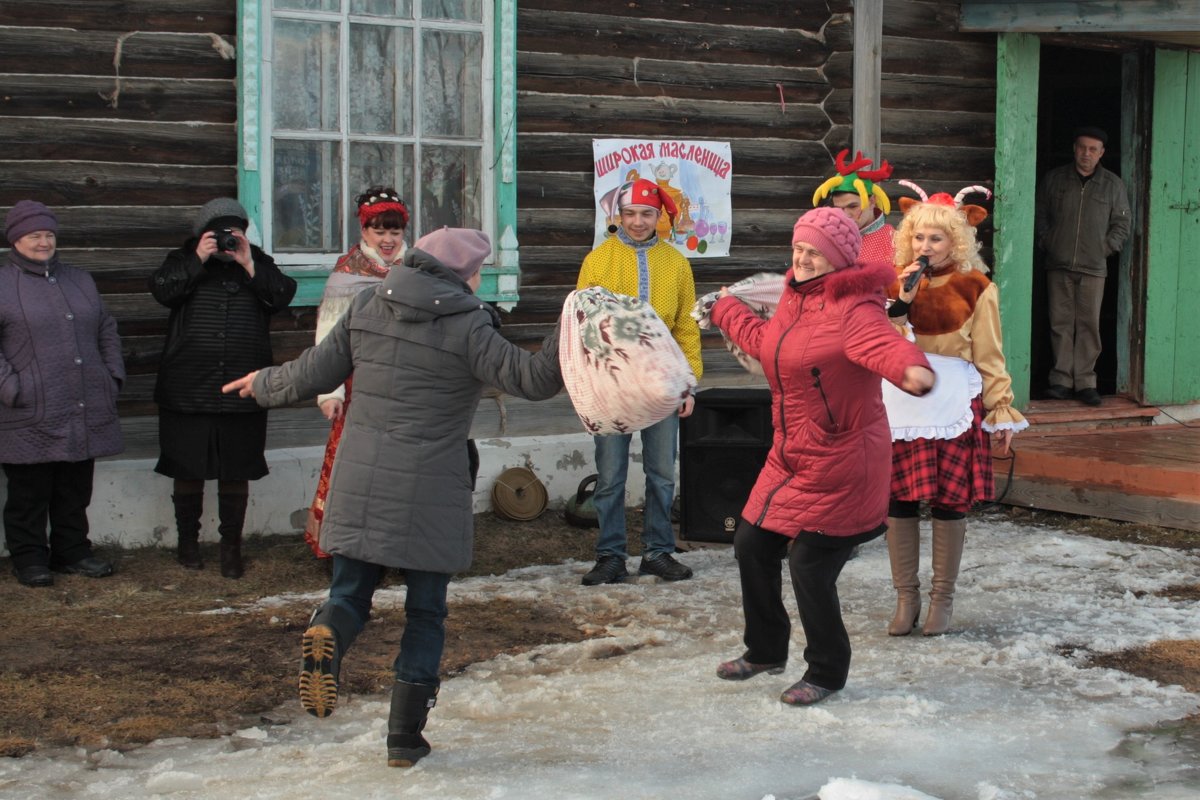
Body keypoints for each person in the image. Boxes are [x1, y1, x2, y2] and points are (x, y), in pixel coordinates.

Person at [222, 227, 563, 768]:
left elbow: (313, 372)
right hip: (431, 485)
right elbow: (533, 379)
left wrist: (261, 383)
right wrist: (572, 328)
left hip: (362, 476)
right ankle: (404, 739)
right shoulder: (469, 323)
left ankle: (328, 630)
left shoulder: (366, 305)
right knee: (426, 613)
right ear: (465, 275)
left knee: (352, 591)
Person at [709, 207, 934, 705]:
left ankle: (827, 671)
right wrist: (726, 309)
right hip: (792, 454)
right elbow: (770, 344)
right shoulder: (793, 297)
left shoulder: (856, 306)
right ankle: (765, 649)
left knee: (809, 564)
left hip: (846, 457)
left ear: (839, 259)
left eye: (815, 253)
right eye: (799, 249)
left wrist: (911, 370)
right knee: (751, 543)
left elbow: (880, 344)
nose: (804, 259)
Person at [884, 188, 1028, 637]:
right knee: (898, 501)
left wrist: (1000, 408)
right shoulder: (895, 283)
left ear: (956, 243)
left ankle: (941, 599)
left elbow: (990, 353)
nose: (926, 247)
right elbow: (879, 340)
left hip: (952, 402)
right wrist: (901, 302)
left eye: (937, 239)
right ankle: (905, 597)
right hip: (901, 400)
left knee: (948, 502)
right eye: (920, 237)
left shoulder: (976, 287)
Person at [149, 198, 297, 578]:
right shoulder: (182, 260)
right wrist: (198, 257)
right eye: (220, 234)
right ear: (202, 234)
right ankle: (188, 544)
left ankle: (231, 548)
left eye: (236, 232)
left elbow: (281, 296)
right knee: (188, 467)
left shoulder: (257, 263)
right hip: (188, 387)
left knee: (237, 468)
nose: (229, 240)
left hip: (243, 386)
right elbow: (164, 291)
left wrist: (249, 263)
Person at [575, 177, 703, 586]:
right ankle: (610, 555)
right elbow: (583, 320)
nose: (637, 221)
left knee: (661, 472)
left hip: (663, 381)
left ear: (660, 216)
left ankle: (657, 551)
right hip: (612, 383)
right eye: (629, 213)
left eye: (646, 213)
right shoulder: (598, 261)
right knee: (610, 475)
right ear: (618, 215)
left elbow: (686, 326)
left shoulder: (677, 263)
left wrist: (688, 382)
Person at [0, 201, 125, 587]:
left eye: (49, 235)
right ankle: (30, 558)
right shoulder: (3, 284)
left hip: (82, 402)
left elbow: (105, 326)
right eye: (34, 235)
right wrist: (9, 385)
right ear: (15, 239)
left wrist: (111, 373)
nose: (43, 242)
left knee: (75, 484)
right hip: (27, 407)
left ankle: (72, 551)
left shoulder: (79, 279)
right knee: (29, 491)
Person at [304, 187, 410, 560]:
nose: (387, 240)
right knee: (356, 469)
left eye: (394, 232)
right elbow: (329, 338)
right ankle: (343, 549)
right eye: (379, 231)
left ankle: (398, 549)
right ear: (364, 231)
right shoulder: (347, 274)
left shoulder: (416, 268)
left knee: (401, 470)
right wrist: (330, 393)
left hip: (406, 386)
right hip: (360, 387)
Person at [1034, 126, 1131, 406]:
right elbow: (1040, 214)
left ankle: (1086, 382)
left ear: (1101, 153)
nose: (1086, 154)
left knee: (1088, 324)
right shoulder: (1055, 180)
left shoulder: (1113, 185)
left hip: (1093, 266)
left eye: (1093, 149)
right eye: (1082, 147)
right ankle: (1061, 380)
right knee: (1060, 323)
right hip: (1058, 263)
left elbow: (1122, 224)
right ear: (1074, 148)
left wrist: (1106, 248)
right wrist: (1047, 240)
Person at [812, 149, 896, 264]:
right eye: (839, 209)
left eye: (853, 206)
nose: (845, 215)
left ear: (872, 201)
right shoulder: (829, 238)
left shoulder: (895, 241)